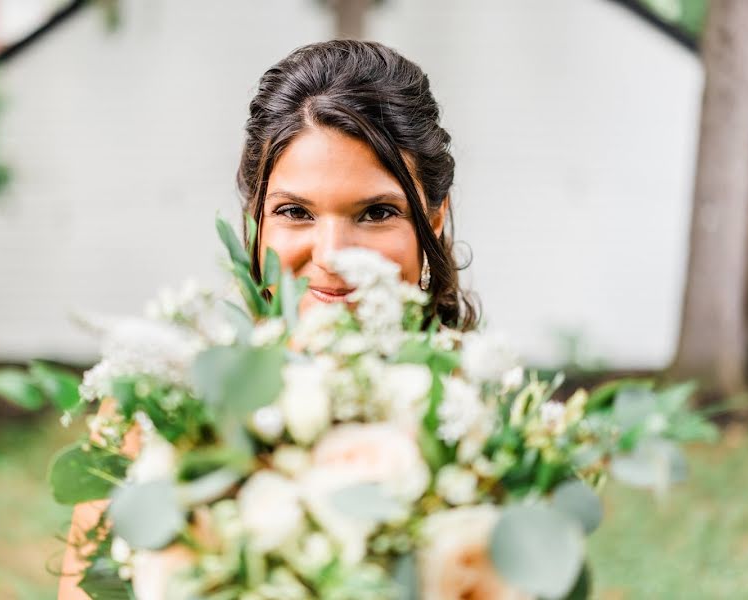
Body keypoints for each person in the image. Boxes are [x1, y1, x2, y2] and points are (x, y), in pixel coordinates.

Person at [58, 39, 477, 599]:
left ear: (433, 218)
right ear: (254, 223)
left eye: (376, 213)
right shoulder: (154, 419)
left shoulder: (478, 427)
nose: (331, 255)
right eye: (295, 212)